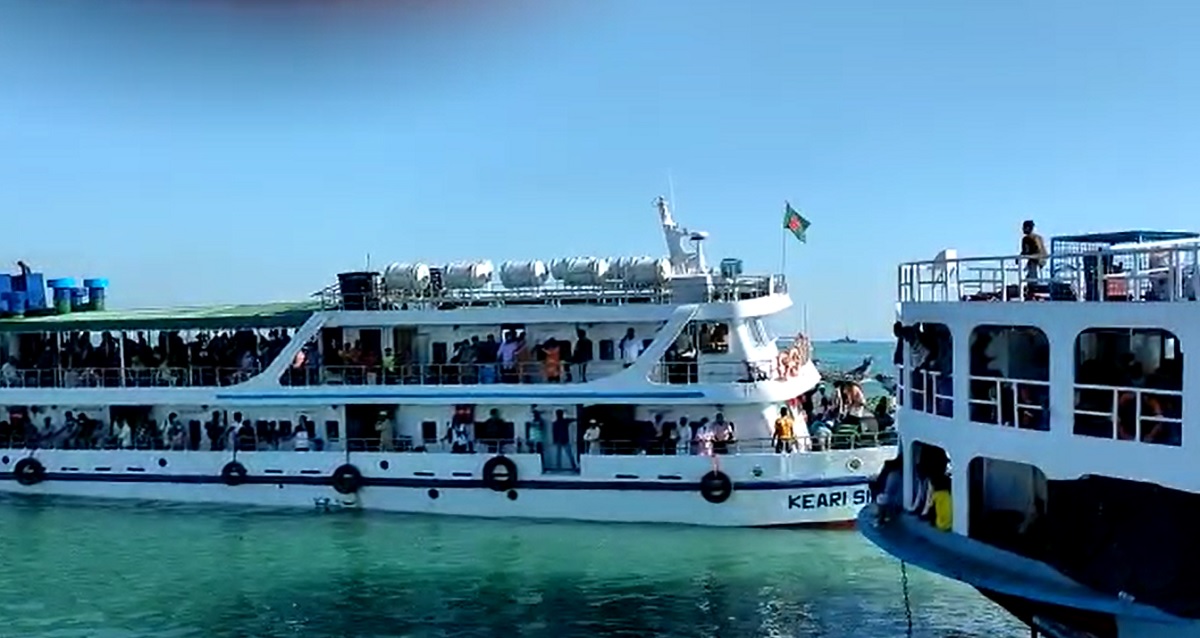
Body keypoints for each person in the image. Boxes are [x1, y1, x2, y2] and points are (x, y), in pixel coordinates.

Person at [1020, 219, 1048, 284]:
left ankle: (1033, 286)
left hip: (1035, 260)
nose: (1022, 229)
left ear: (1028, 228)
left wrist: (1018, 258)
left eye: (1024, 227)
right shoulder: (1039, 237)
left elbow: (1025, 252)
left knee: (1032, 281)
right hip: (1043, 260)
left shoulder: (1027, 238)